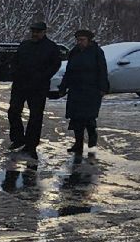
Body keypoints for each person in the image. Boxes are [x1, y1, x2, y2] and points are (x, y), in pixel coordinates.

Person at [8, 20, 63, 156]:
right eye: (33, 31)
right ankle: (18, 138)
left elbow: (55, 64)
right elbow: (15, 60)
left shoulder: (51, 47)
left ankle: (31, 144)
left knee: (35, 116)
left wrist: (43, 77)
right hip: (20, 84)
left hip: (38, 86)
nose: (35, 34)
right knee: (13, 112)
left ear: (44, 32)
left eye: (38, 32)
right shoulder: (25, 45)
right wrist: (15, 72)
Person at [60, 29, 109, 158]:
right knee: (76, 119)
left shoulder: (97, 53)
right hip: (76, 90)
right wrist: (63, 86)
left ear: (89, 40)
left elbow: (102, 70)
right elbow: (69, 71)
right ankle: (78, 144)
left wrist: (103, 88)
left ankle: (92, 145)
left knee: (89, 119)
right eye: (78, 40)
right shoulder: (74, 52)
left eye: (82, 40)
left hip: (91, 91)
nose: (80, 42)